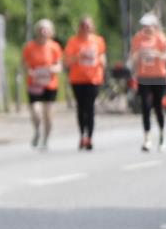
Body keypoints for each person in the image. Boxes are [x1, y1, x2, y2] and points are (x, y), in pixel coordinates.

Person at [130, 13, 166, 152]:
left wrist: (157, 54)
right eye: (144, 26)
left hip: (159, 77)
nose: (147, 28)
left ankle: (162, 135)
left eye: (149, 26)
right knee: (145, 107)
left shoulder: (161, 38)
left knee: (158, 106)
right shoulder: (138, 38)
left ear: (155, 26)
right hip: (144, 77)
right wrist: (139, 55)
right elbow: (133, 57)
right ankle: (147, 138)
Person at [64, 16, 107, 150]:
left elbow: (102, 57)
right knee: (81, 107)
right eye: (83, 25)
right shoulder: (73, 41)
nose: (85, 28)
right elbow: (67, 62)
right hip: (77, 79)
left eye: (88, 25)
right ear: (79, 27)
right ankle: (82, 134)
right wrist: (79, 56)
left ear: (92, 27)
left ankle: (89, 137)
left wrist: (99, 61)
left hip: (94, 79)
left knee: (90, 107)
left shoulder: (98, 40)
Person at [22, 19, 63, 151]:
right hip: (34, 84)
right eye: (41, 29)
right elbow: (24, 65)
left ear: (51, 32)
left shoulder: (54, 47)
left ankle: (46, 139)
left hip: (50, 84)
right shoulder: (29, 47)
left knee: (48, 114)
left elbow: (59, 66)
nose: (43, 32)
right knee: (35, 111)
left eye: (46, 29)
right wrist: (31, 72)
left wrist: (51, 69)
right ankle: (37, 131)